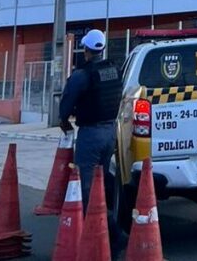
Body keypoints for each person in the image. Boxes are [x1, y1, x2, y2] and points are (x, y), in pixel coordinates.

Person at [58, 29, 125, 254]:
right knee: (100, 183)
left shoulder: (82, 75)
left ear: (85, 49)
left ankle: (110, 236)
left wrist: (64, 121)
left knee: (86, 189)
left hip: (91, 134)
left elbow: (67, 102)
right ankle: (106, 234)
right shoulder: (114, 70)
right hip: (110, 133)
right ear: (102, 48)